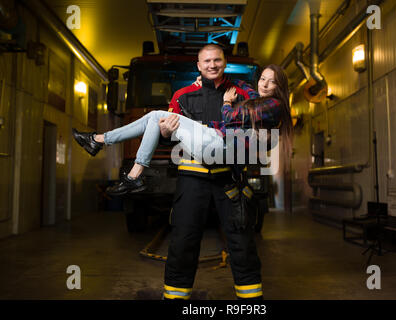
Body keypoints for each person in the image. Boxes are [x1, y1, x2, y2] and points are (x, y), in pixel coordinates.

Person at [73, 44, 292, 299]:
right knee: (183, 242)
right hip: (192, 178)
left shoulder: (242, 92)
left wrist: (235, 116)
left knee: (242, 243)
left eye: (217, 60)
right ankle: (176, 297)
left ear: (225, 62)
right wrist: (166, 132)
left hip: (230, 178)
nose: (212, 65)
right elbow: (163, 135)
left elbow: (254, 125)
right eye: (206, 61)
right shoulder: (183, 95)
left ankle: (251, 303)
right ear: (198, 66)